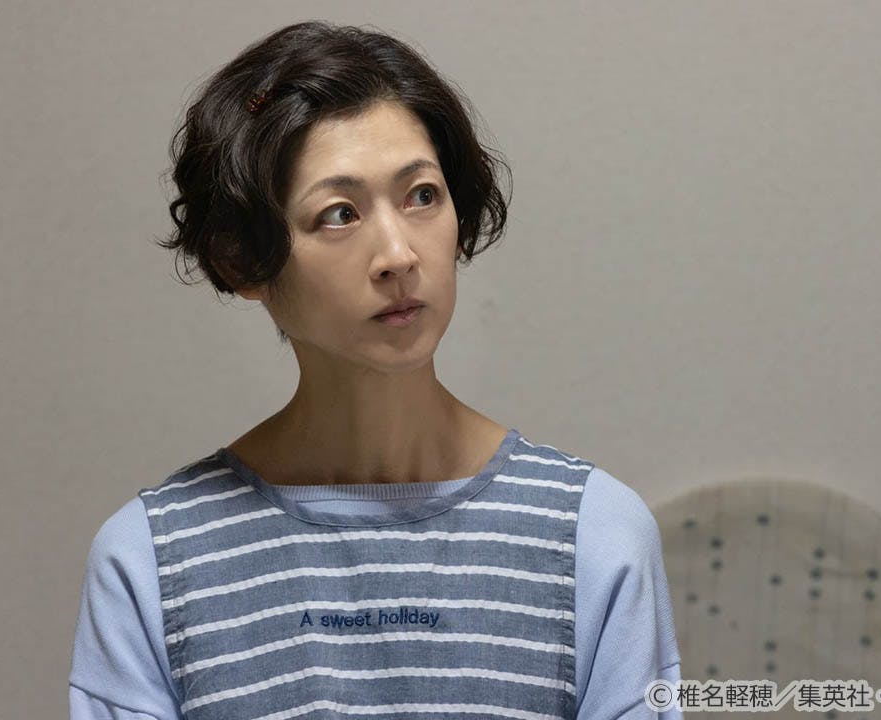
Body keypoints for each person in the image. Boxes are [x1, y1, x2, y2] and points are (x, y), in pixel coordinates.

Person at [69, 20, 682, 719]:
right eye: (339, 213)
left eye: (422, 195)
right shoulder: (153, 562)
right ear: (241, 260)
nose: (398, 255)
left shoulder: (591, 536)